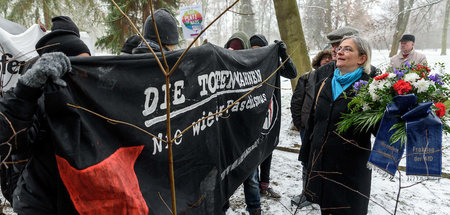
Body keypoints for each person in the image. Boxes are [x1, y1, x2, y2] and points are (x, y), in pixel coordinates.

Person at [0, 16, 90, 214]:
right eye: (80, 69)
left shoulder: (86, 97)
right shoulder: (35, 95)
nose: (86, 75)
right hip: (39, 203)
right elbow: (7, 137)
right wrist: (25, 92)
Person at [298, 35, 375, 215]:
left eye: (347, 49)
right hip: (322, 167)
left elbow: (378, 129)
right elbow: (313, 122)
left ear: (362, 58)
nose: (339, 51)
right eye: (339, 48)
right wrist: (307, 158)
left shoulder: (370, 89)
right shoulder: (325, 82)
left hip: (349, 174)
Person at [223, 31, 261, 215]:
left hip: (247, 135)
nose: (233, 52)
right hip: (225, 135)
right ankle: (222, 207)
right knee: (223, 175)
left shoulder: (252, 72)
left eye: (238, 48)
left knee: (251, 175)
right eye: (230, 48)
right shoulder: (220, 69)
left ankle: (254, 208)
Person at [249, 34, 281, 199]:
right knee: (253, 154)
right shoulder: (248, 63)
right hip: (253, 117)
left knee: (267, 151)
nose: (257, 52)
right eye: (253, 49)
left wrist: (283, 54)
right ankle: (254, 190)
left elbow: (291, 73)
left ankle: (265, 185)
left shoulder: (273, 63)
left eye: (260, 49)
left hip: (270, 113)